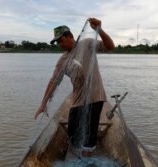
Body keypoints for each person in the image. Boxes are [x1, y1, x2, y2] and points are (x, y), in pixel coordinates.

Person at [34, 18, 115, 157]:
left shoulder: (87, 44)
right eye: (57, 42)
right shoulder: (63, 60)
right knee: (72, 131)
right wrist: (43, 104)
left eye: (61, 40)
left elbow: (110, 46)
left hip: (95, 96)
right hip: (78, 99)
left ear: (70, 36)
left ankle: (86, 158)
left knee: (89, 133)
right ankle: (80, 151)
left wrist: (99, 30)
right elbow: (53, 81)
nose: (60, 44)